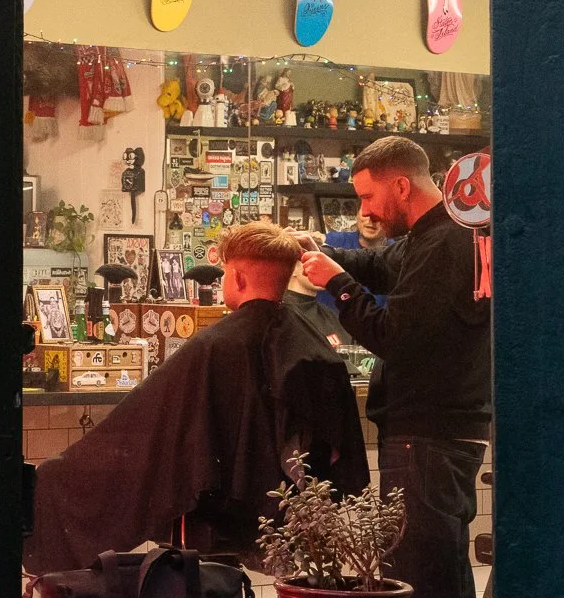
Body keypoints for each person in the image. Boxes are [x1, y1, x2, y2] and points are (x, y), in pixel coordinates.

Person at [26, 223, 366, 574]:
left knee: (56, 475)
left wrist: (54, 476)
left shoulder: (213, 347)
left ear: (237, 278)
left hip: (215, 513)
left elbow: (146, 426)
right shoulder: (315, 346)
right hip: (287, 514)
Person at [298, 135, 491, 598]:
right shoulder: (436, 234)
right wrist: (323, 255)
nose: (364, 211)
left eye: (367, 197)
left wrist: (336, 286)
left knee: (426, 581)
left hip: (430, 431)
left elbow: (391, 335)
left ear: (401, 185)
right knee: (440, 571)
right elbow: (384, 268)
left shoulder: (446, 243)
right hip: (436, 428)